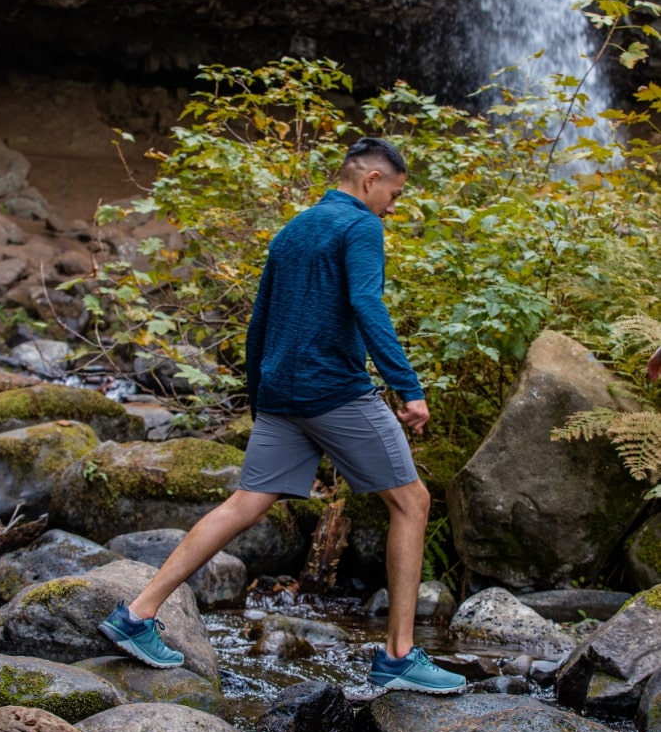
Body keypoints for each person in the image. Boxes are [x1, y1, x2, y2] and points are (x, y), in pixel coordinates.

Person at [99, 136, 466, 694]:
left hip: (281, 392)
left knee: (244, 504)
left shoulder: (294, 228)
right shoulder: (361, 227)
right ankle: (397, 654)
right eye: (395, 191)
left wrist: (260, 394)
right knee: (412, 501)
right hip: (334, 391)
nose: (394, 204)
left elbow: (260, 320)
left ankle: (136, 614)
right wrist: (406, 386)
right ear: (371, 181)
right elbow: (368, 304)